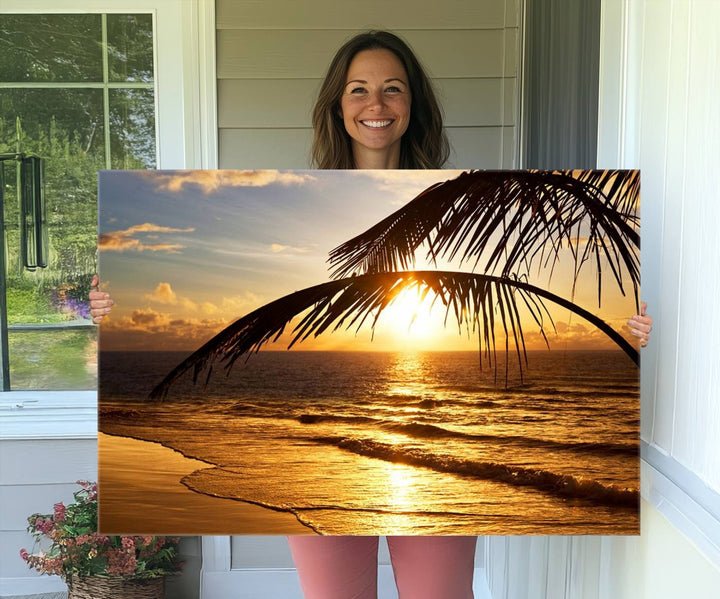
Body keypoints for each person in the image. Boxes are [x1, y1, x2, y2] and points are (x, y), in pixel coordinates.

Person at [89, 30, 653, 599]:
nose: (376, 105)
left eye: (392, 89)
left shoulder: (464, 200)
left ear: (413, 105)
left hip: (443, 452)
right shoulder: (292, 204)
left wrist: (628, 333)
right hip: (315, 459)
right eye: (358, 90)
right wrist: (112, 308)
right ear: (338, 105)